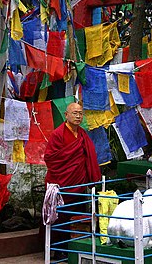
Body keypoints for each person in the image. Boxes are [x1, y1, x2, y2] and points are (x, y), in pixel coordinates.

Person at [43, 102, 101, 259]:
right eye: (74, 113)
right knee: (59, 217)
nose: (78, 116)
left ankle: (73, 250)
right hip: (61, 184)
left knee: (75, 216)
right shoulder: (58, 134)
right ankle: (56, 250)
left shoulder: (82, 135)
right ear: (66, 115)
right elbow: (50, 158)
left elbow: (89, 157)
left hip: (79, 183)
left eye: (80, 113)